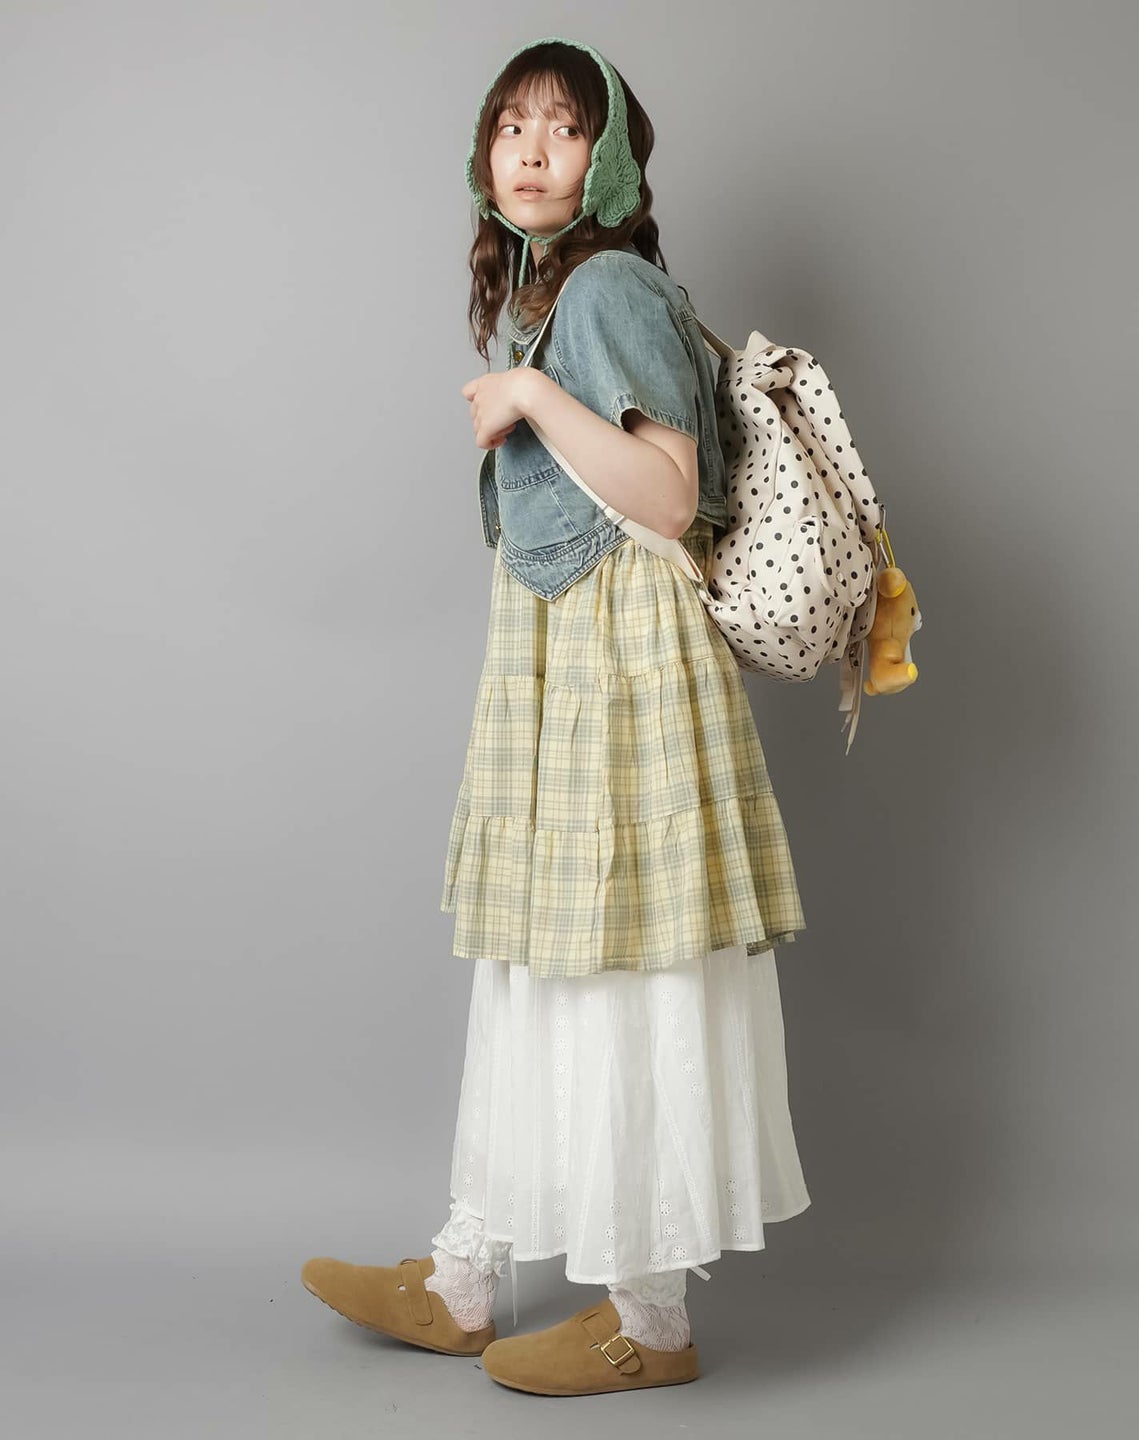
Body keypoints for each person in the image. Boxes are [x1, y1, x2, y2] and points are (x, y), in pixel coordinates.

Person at [302, 35, 811, 1397]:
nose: (530, 150)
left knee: (624, 969)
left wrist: (530, 395)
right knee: (546, 964)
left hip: (624, 661)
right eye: (511, 124)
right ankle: (465, 1276)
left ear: (612, 161)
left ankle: (650, 1322)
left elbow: (668, 493)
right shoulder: (551, 293)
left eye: (565, 128)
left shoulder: (611, 287)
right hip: (567, 656)